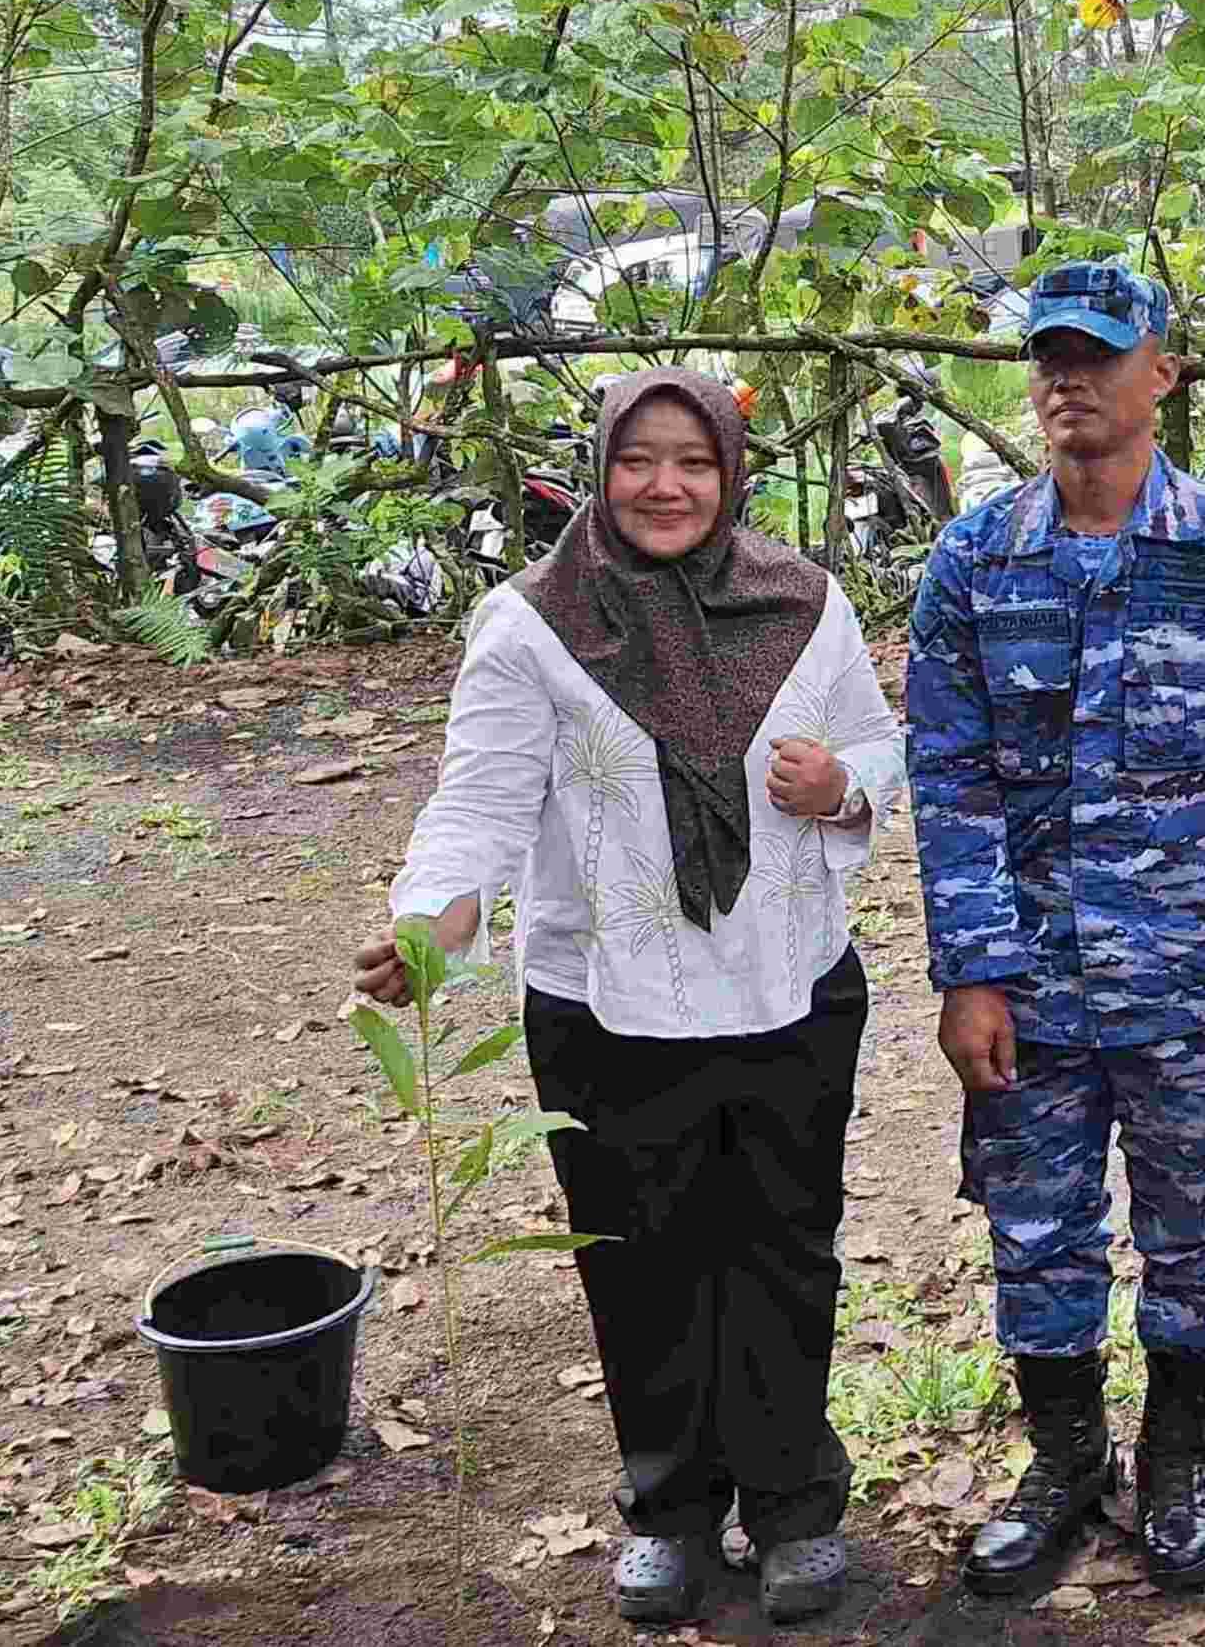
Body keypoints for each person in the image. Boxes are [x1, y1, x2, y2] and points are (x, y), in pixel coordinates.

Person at [352, 366, 902, 1626]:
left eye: (692, 462)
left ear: (729, 474)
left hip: (787, 985)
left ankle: (792, 1502)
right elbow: (478, 807)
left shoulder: (806, 606)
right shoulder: (533, 622)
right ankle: (668, 1506)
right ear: (601, 468)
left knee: (782, 1250)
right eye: (639, 459)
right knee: (642, 1264)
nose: (665, 485)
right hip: (604, 1001)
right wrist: (427, 928)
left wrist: (844, 783)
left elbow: (881, 741)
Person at [906, 262, 1205, 1596]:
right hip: (1033, 991)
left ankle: (1175, 1460)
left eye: (1097, 358)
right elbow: (947, 776)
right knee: (1038, 1234)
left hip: (1185, 981)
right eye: (1049, 359)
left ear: (1159, 375)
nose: (1067, 381)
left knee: (1191, 1230)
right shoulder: (975, 559)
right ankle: (1063, 1464)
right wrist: (972, 972)